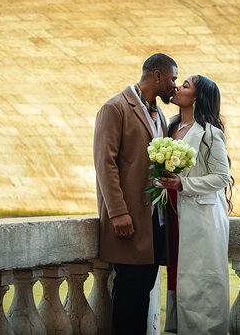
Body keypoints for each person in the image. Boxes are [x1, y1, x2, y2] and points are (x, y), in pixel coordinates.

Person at [93, 53, 178, 335]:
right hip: (128, 219)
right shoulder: (114, 108)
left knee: (143, 291)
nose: (174, 86)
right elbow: (105, 163)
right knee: (128, 292)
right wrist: (118, 212)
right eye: (172, 78)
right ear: (157, 75)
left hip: (155, 221)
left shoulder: (160, 114)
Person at [156, 74, 233, 335]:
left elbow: (221, 177)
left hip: (201, 220)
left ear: (197, 98)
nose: (177, 87)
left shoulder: (211, 133)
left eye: (185, 85)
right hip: (175, 215)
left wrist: (183, 185)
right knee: (181, 280)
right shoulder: (170, 127)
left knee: (203, 283)